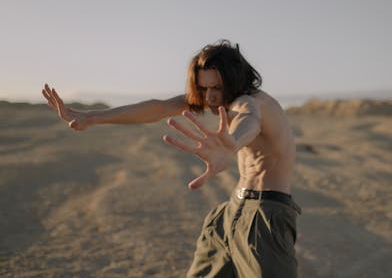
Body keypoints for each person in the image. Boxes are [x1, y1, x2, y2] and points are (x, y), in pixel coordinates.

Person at [42, 40, 301, 277]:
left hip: (265, 218)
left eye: (217, 88)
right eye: (203, 88)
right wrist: (92, 117)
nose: (209, 97)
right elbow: (160, 107)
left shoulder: (253, 102)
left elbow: (249, 120)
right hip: (230, 212)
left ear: (234, 80)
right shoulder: (221, 100)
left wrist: (231, 145)